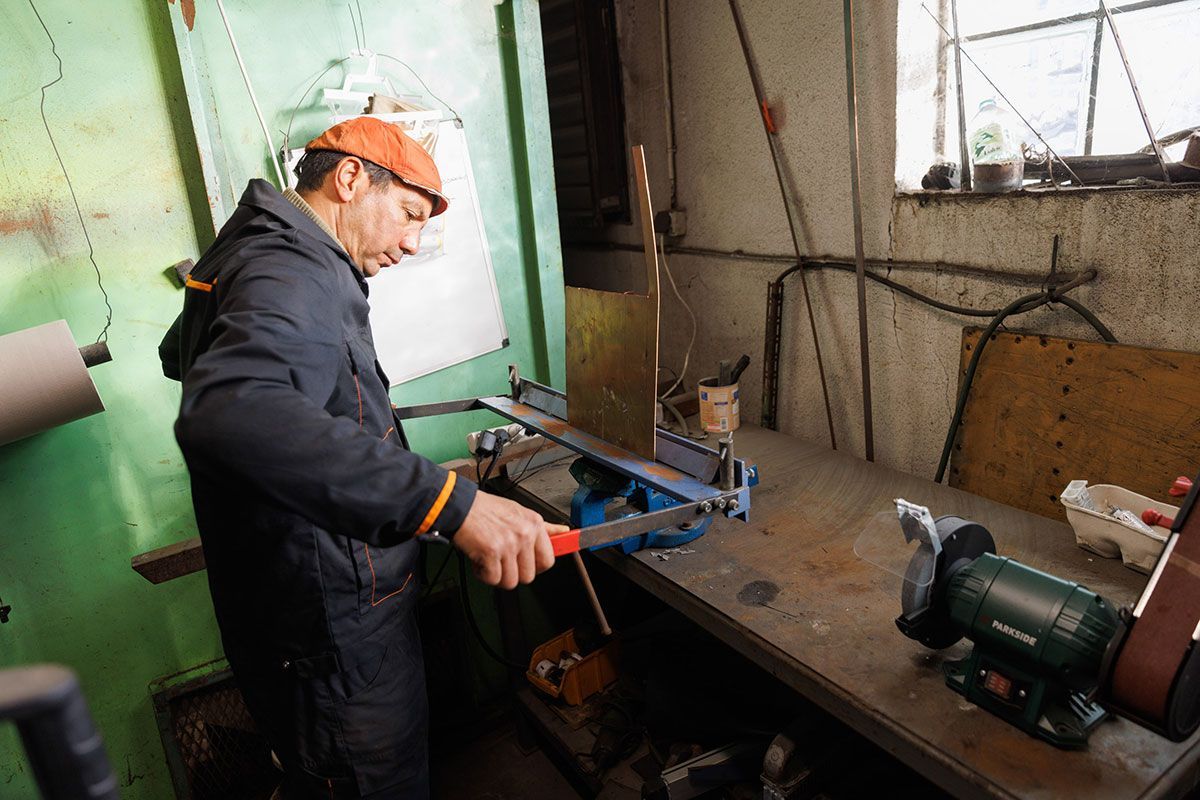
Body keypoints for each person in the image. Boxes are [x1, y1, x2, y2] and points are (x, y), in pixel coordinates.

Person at [159, 116, 565, 799]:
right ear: (350, 178)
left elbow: (181, 354)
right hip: (331, 629)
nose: (411, 243)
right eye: (408, 215)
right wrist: (447, 502)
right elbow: (231, 411)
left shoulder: (255, 244)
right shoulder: (288, 270)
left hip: (300, 604)